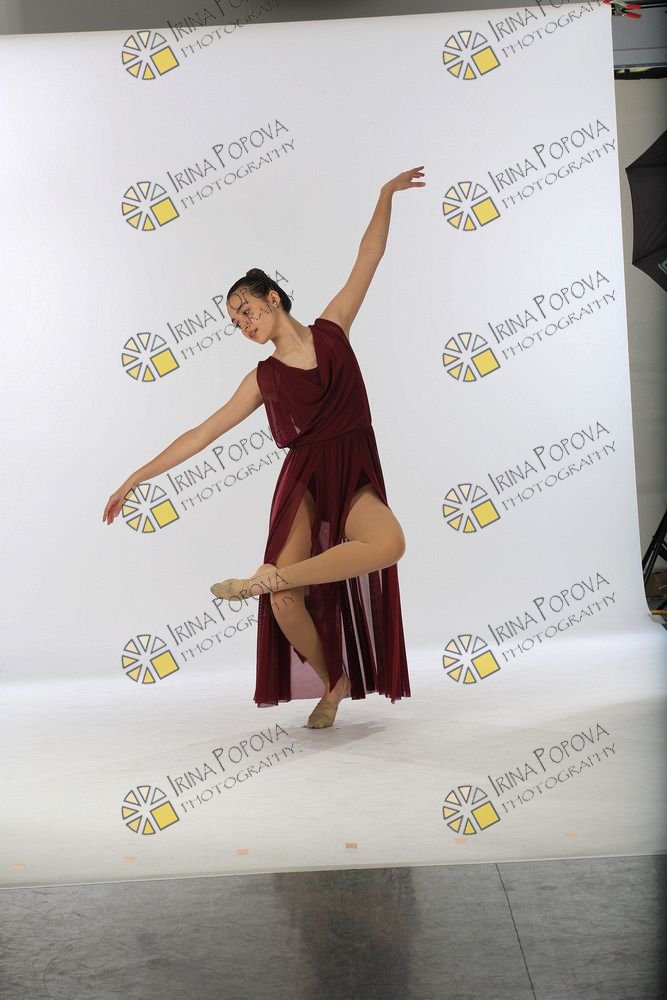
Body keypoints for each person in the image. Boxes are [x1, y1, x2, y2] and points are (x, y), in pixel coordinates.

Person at [103, 165, 425, 728]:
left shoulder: (333, 329)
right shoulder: (262, 378)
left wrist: (384, 195)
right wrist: (136, 477)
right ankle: (333, 682)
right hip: (303, 482)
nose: (244, 325)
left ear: (273, 298)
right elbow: (201, 433)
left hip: (353, 470)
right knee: (283, 602)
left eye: (247, 311)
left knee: (390, 543)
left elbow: (369, 256)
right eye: (236, 323)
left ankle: (263, 578)